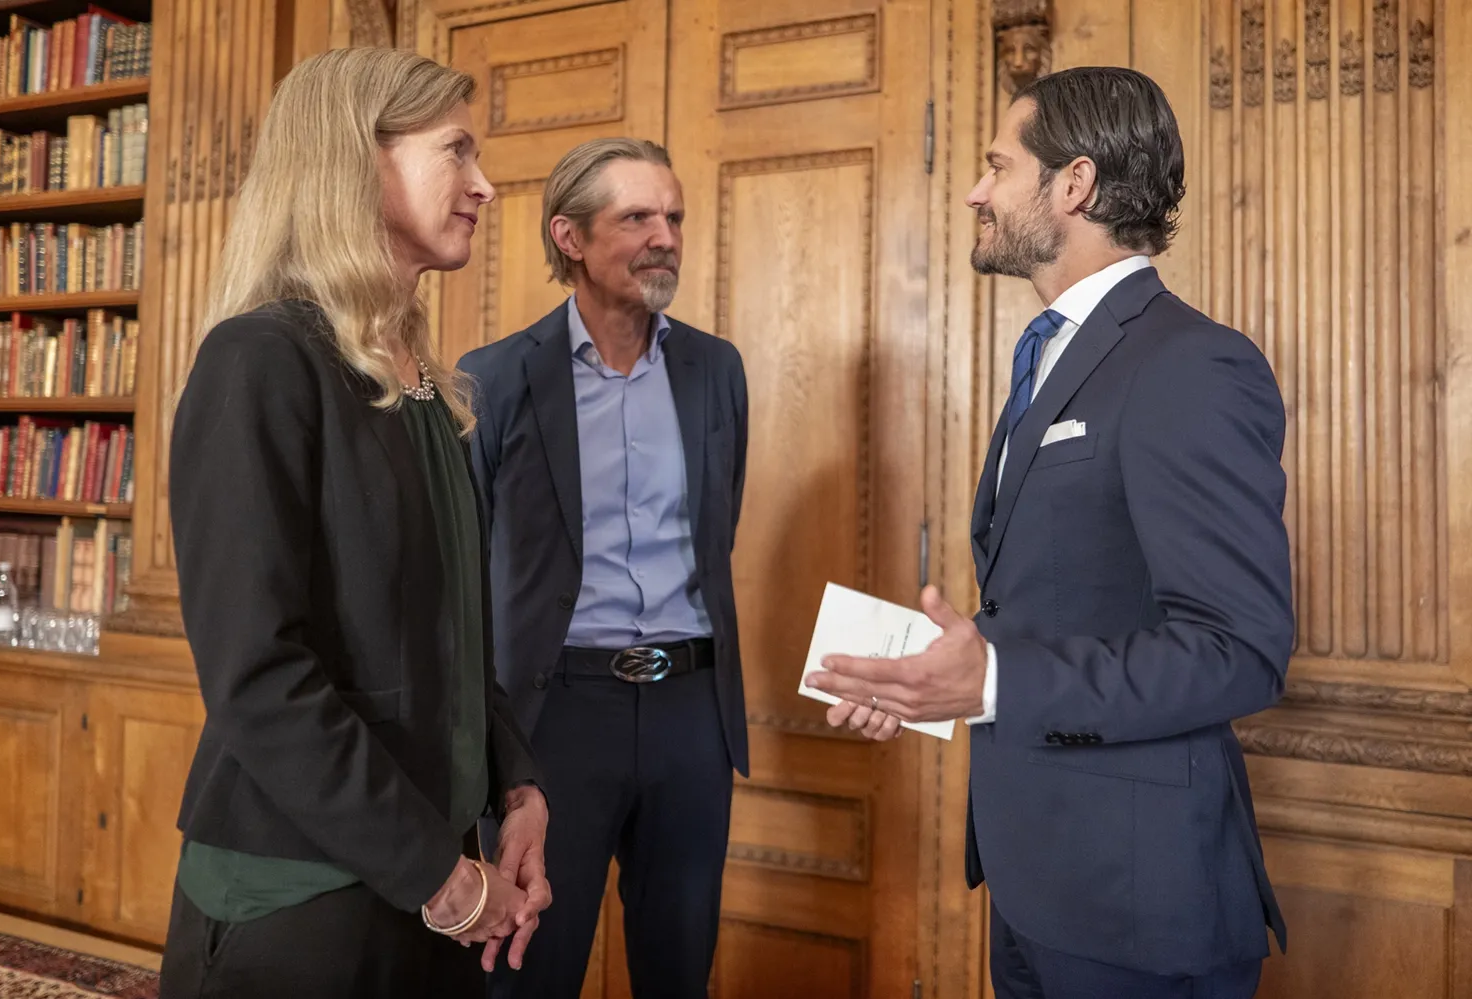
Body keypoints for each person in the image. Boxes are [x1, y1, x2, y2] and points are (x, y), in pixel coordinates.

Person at [807, 66, 1291, 998]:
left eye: (997, 165)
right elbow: (1055, 599)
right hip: (1035, 883)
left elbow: (1239, 648)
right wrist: (926, 682)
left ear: (1073, 185)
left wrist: (991, 675)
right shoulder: (1051, 352)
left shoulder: (1192, 364)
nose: (976, 189)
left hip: (1137, 908)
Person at [159, 47, 550, 999]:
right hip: (302, 902)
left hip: (428, 881)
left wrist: (518, 786)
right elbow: (259, 676)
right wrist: (442, 874)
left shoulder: (426, 387)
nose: (486, 186)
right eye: (456, 151)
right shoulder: (257, 362)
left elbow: (453, 632)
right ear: (355, 159)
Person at [457, 137, 748, 999]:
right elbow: (467, 574)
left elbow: (717, 526)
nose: (665, 235)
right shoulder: (494, 378)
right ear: (570, 237)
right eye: (638, 217)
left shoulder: (715, 371)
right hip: (553, 721)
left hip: (691, 714)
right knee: (527, 970)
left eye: (675, 216)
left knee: (678, 970)